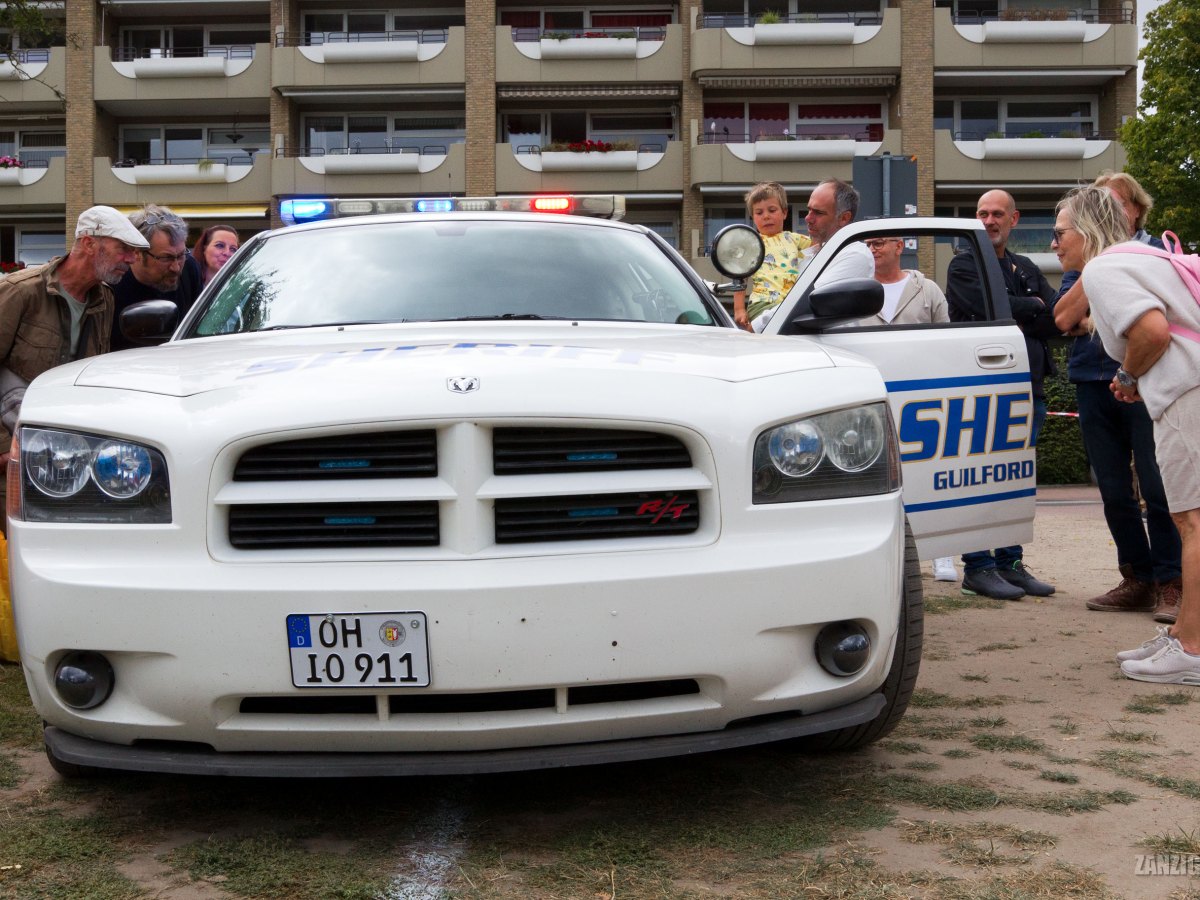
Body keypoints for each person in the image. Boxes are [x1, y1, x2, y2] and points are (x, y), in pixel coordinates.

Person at [1063, 185, 1200, 684]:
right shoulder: (1146, 256)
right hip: (1189, 386)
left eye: (1060, 232)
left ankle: (1192, 648)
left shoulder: (1104, 268)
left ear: (1085, 231)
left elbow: (1152, 332)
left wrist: (1127, 376)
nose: (1055, 243)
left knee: (1192, 521)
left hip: (1186, 391)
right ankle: (1183, 633)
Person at [1052, 174, 1181, 622]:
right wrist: (1101, 265)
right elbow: (1063, 318)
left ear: (1136, 209)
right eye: (1099, 203)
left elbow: (1158, 325)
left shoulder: (1158, 254)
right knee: (1112, 489)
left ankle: (1172, 582)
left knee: (1159, 487)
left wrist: (1101, 308)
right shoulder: (1088, 261)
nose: (1106, 210)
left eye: (1115, 202)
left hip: (1146, 385)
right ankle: (1137, 578)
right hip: (1093, 381)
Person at [945, 189, 1058, 601]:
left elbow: (1056, 318)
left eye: (997, 214)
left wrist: (1025, 307)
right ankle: (978, 567)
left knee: (1016, 480)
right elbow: (991, 308)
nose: (989, 221)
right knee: (979, 478)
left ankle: (1011, 563)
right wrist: (1031, 304)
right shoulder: (963, 265)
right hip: (982, 389)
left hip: (1029, 387)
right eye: (982, 213)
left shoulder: (1025, 265)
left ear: (1014, 219)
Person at [0, 206, 148, 477]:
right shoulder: (20, 291)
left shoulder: (105, 298)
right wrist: (4, 449)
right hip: (14, 457)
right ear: (89, 243)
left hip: (65, 458)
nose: (131, 259)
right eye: (123, 248)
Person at [859, 235, 956, 581]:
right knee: (877, 475)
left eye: (879, 243)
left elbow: (946, 341)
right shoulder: (855, 292)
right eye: (868, 244)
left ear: (899, 246)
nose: (873, 249)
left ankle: (941, 553)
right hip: (873, 398)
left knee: (931, 471)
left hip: (921, 397)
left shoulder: (927, 290)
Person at [110, 204, 203, 352]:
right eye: (166, 258)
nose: (176, 267)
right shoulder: (111, 283)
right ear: (137, 253)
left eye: (181, 255)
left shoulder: (189, 270)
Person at [733, 182, 811, 332]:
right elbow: (740, 275)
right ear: (753, 217)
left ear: (784, 213)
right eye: (759, 213)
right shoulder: (752, 243)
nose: (766, 216)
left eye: (772, 210)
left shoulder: (795, 239)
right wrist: (739, 309)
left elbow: (821, 246)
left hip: (789, 303)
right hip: (762, 303)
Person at [802, 178, 875, 290]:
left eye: (818, 213)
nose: (808, 218)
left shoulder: (855, 254)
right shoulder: (813, 250)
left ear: (844, 218)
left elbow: (807, 298)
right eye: (809, 210)